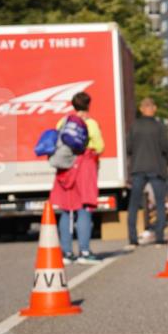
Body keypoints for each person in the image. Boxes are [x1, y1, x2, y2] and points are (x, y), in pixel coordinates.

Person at [50, 91, 105, 264]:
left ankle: (66, 253)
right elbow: (99, 146)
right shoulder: (91, 123)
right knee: (84, 209)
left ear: (73, 105)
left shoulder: (63, 122)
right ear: (89, 105)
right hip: (84, 168)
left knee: (66, 210)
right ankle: (85, 251)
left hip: (65, 169)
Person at [126, 97, 168, 248]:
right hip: (157, 168)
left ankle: (132, 238)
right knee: (159, 203)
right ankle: (159, 237)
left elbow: (129, 148)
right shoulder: (160, 127)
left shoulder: (134, 126)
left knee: (134, 203)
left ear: (141, 109)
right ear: (154, 108)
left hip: (138, 167)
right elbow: (166, 147)